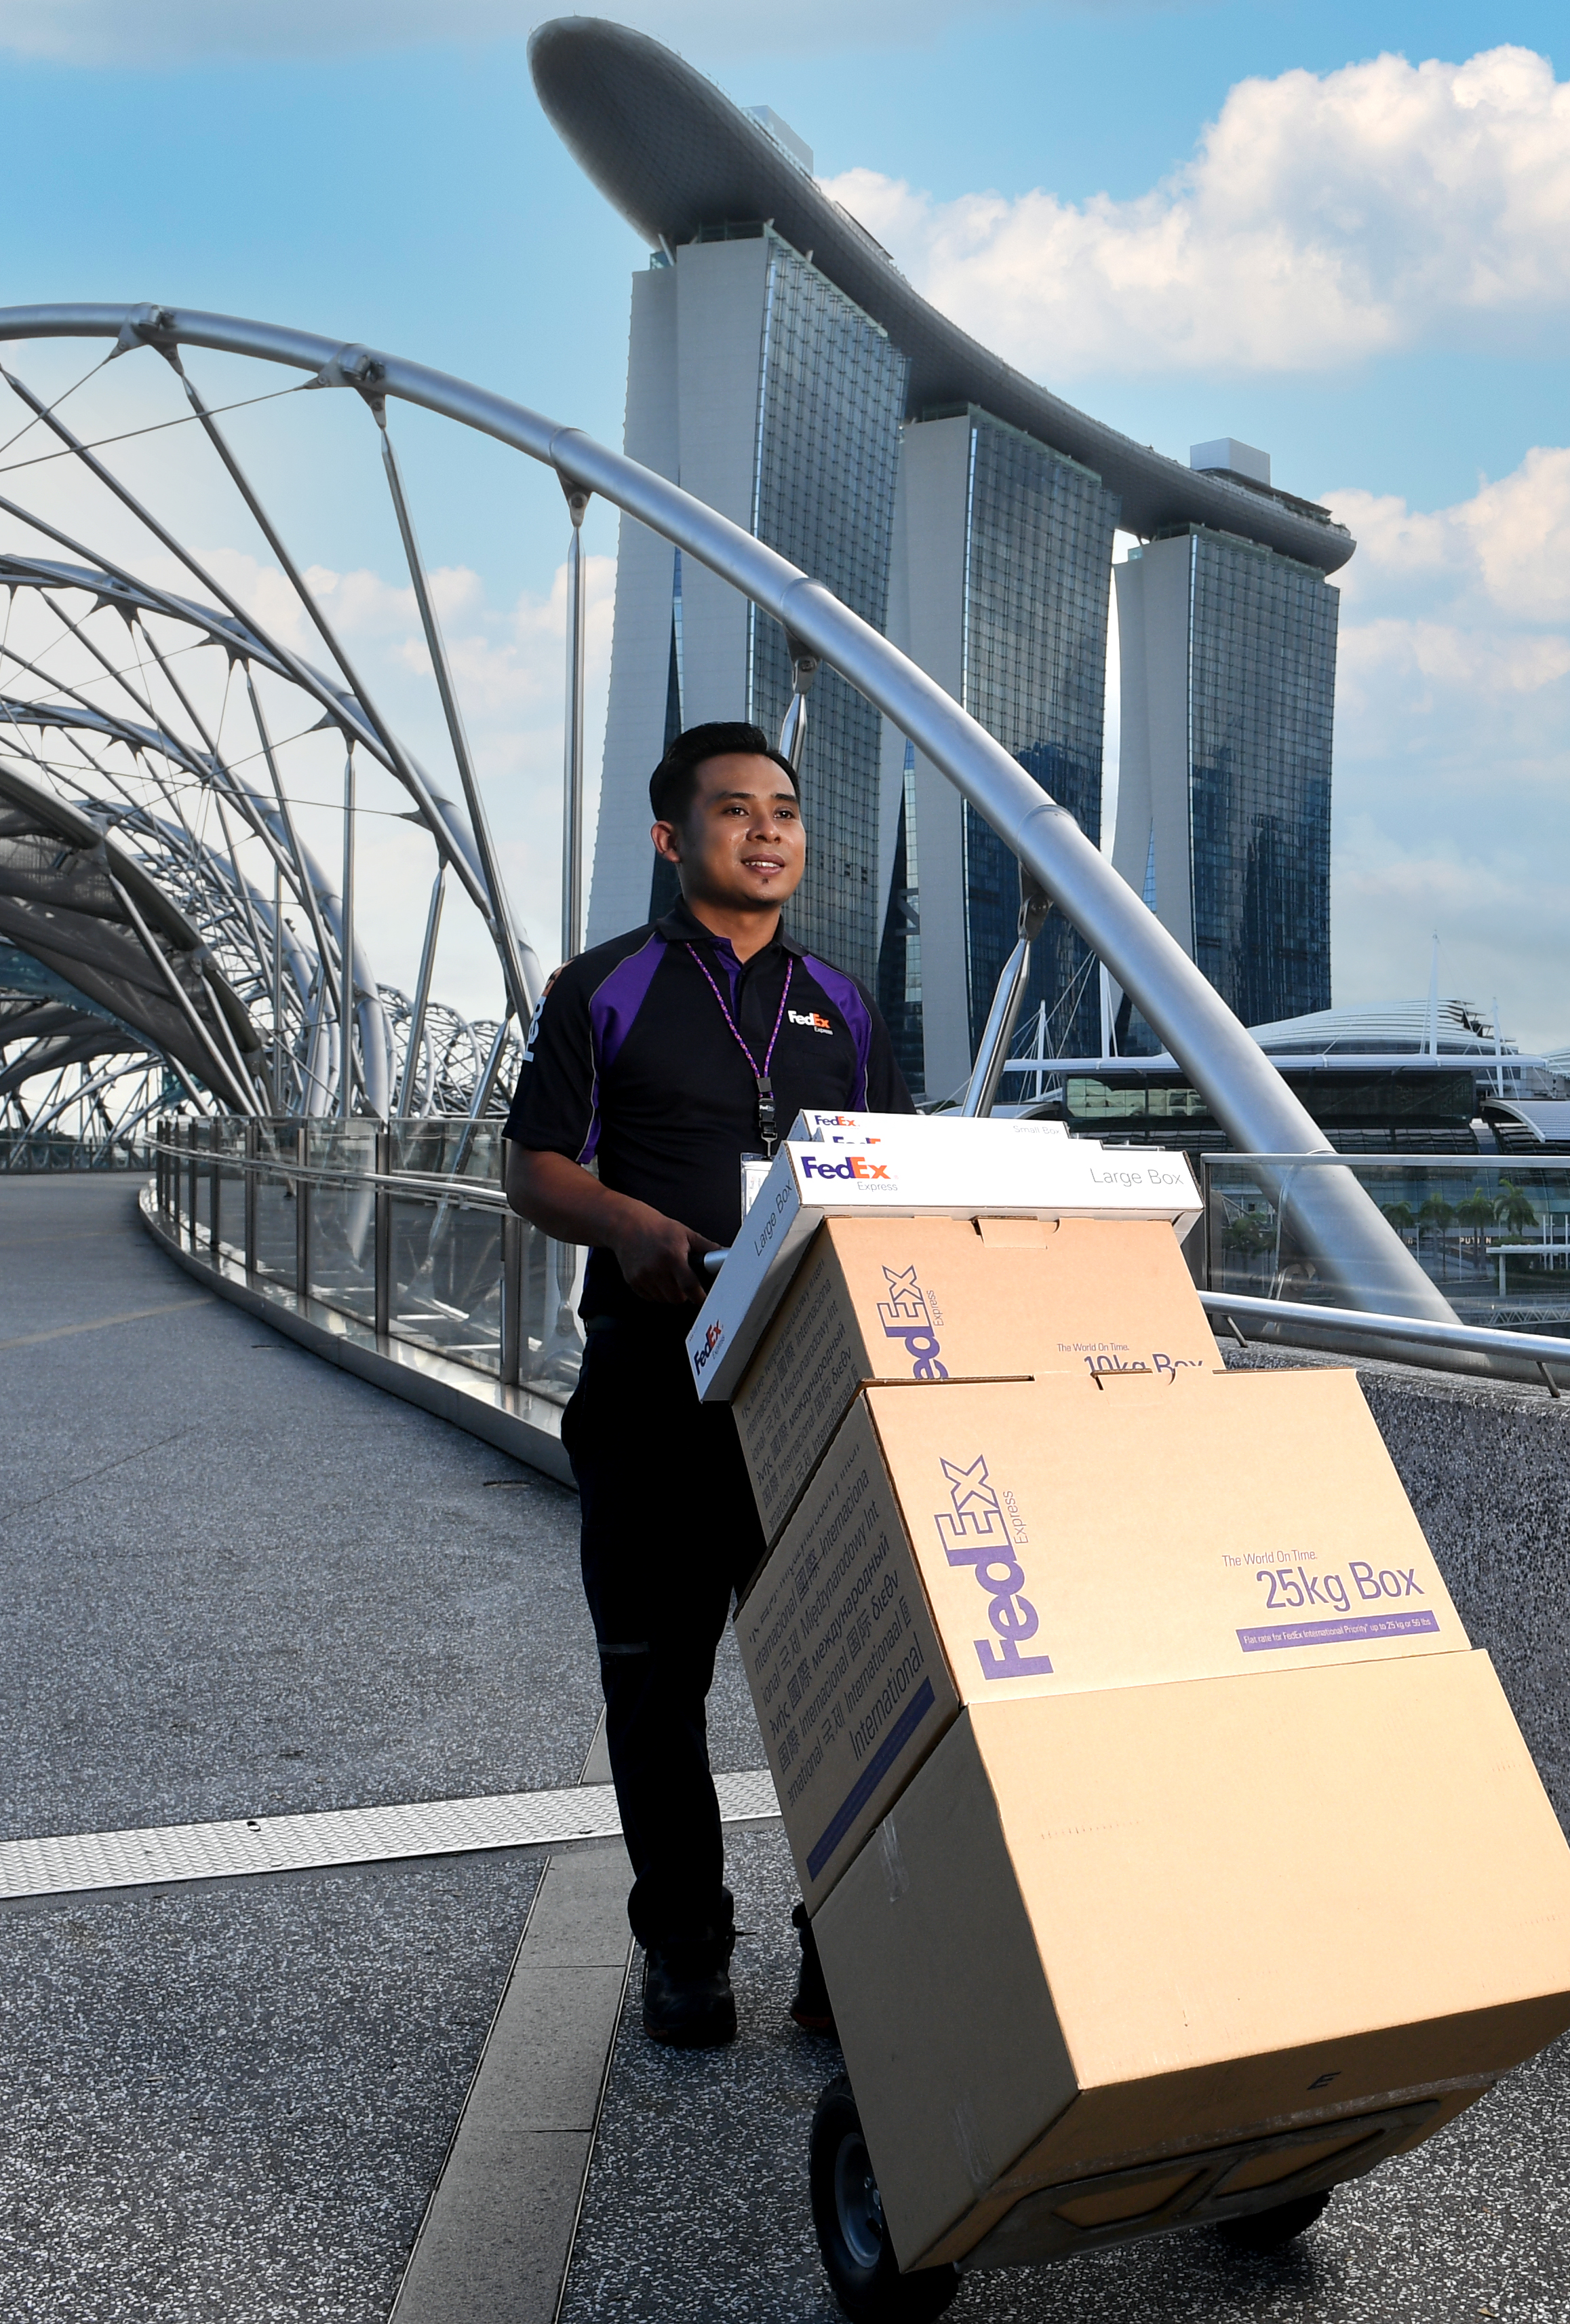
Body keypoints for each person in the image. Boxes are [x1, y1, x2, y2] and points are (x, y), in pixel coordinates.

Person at [502, 718, 910, 2047]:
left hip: (805, 1382)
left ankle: (842, 1946)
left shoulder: (843, 1002)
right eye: (737, 810)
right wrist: (629, 1229)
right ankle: (685, 1944)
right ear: (675, 839)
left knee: (852, 1674)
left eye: (786, 809)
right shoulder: (603, 988)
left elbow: (885, 1166)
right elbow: (535, 1165)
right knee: (653, 1678)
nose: (770, 829)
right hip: (649, 1384)